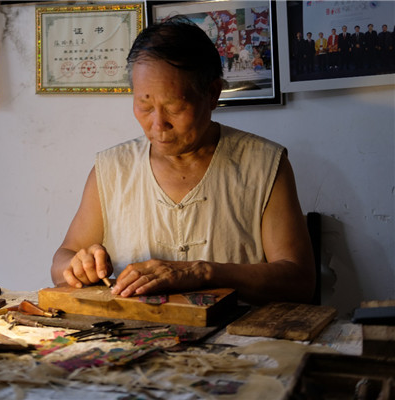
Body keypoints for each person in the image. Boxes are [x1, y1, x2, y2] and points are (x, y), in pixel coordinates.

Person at [51, 17, 316, 305]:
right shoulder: (112, 170)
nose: (158, 123)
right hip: (133, 338)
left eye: (175, 107)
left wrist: (203, 273)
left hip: (238, 341)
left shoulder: (264, 166)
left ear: (213, 94)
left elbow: (299, 280)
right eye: (144, 105)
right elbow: (61, 262)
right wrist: (78, 266)